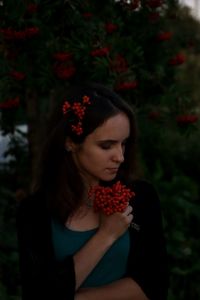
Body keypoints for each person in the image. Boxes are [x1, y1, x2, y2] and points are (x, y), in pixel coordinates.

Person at [16, 83, 169, 300]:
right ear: (70, 142)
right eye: (106, 146)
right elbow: (38, 293)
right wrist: (106, 235)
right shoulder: (35, 211)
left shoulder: (139, 197)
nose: (120, 156)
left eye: (123, 144)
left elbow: (155, 285)